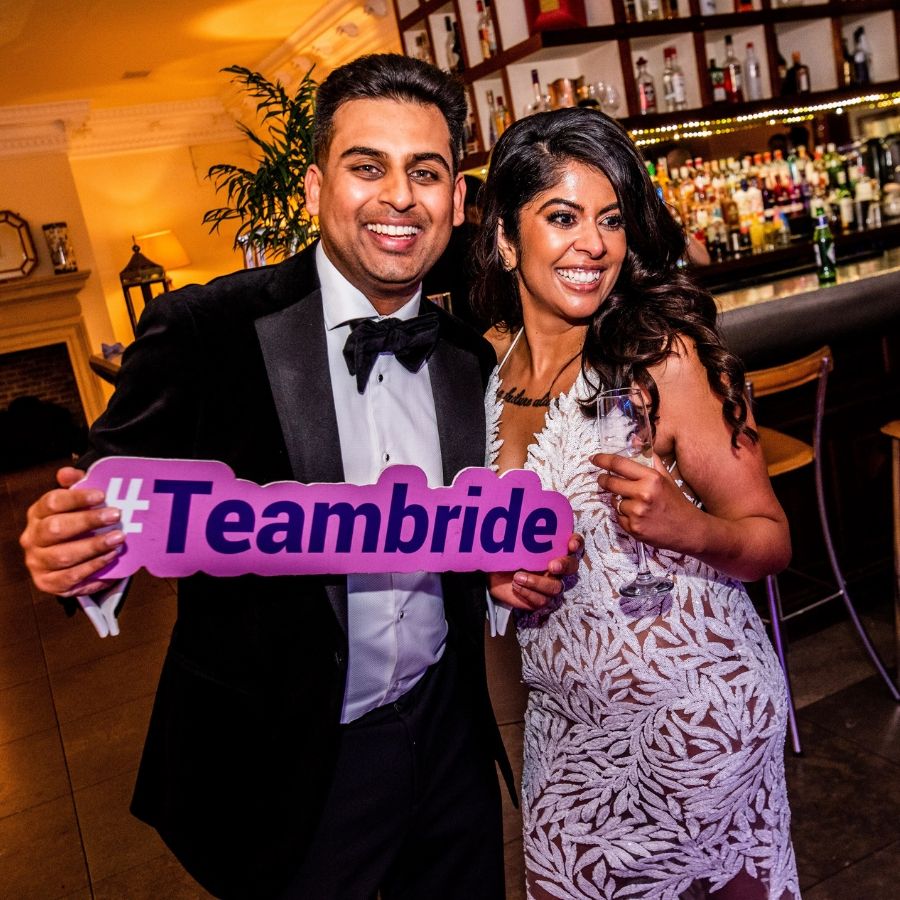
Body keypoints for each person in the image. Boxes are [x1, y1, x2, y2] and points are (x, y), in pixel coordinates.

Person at [18, 54, 578, 900]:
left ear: (457, 202)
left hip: (449, 738)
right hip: (288, 765)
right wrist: (71, 546)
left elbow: (470, 534)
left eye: (425, 172)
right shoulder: (205, 330)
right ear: (315, 188)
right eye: (367, 166)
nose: (399, 197)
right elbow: (107, 493)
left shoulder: (470, 359)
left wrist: (508, 569)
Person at [474, 107, 799, 900]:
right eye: (561, 217)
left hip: (701, 723)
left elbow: (770, 538)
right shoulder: (480, 367)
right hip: (565, 730)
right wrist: (495, 578)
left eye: (610, 219)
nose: (594, 244)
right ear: (507, 241)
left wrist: (688, 528)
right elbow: (471, 531)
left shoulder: (663, 359)